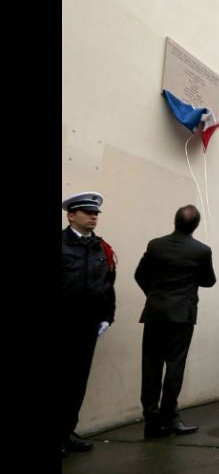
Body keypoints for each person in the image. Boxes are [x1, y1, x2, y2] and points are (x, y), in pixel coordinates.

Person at [135, 205, 216, 438]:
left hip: (155, 312)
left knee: (150, 366)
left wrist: (154, 295)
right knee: (175, 367)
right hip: (182, 315)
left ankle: (151, 421)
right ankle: (169, 418)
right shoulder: (201, 250)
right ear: (196, 225)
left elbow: (140, 274)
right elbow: (209, 281)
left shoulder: (155, 245)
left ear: (175, 221)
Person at [61, 191, 117, 455]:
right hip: (63, 322)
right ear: (71, 216)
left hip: (87, 325)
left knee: (77, 381)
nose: (93, 217)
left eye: (96, 213)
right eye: (87, 212)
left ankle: (67, 432)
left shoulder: (101, 248)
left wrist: (107, 316)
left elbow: (108, 284)